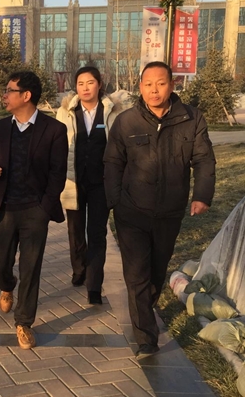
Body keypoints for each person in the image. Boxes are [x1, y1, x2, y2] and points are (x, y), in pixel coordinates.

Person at [104, 61, 215, 359]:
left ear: (172, 85)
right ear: (140, 87)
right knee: (136, 274)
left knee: (156, 270)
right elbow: (112, 162)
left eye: (161, 83)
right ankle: (146, 338)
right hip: (132, 211)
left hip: (169, 211)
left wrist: (201, 195)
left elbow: (203, 159)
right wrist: (115, 200)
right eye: (148, 84)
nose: (154, 90)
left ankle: (146, 306)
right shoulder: (126, 122)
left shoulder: (191, 118)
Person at [0, 71, 68, 350]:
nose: (4, 95)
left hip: (34, 210)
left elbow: (57, 173)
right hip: (5, 207)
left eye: (9, 90)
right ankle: (7, 285)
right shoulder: (0, 128)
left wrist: (44, 208)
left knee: (31, 267)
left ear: (26, 95)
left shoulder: (54, 130)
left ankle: (24, 322)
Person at [56, 66, 120, 305]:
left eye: (90, 82)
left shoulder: (112, 112)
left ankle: (94, 285)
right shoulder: (66, 112)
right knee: (75, 230)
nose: (85, 88)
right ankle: (79, 269)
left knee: (97, 232)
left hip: (100, 183)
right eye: (80, 83)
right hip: (73, 181)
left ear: (99, 85)